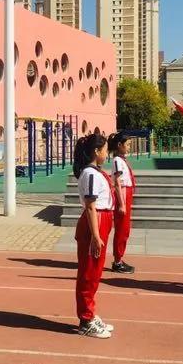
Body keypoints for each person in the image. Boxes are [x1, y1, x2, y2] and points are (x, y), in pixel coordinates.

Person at [73, 133, 115, 338]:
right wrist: (96, 236)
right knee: (89, 272)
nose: (107, 154)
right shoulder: (90, 174)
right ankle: (86, 319)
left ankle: (90, 313)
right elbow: (90, 206)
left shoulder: (95, 172)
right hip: (95, 222)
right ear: (97, 152)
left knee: (95, 271)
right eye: (105, 150)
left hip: (101, 220)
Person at [108, 132, 135, 274]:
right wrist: (122, 203)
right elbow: (117, 183)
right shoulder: (117, 161)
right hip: (122, 195)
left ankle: (119, 258)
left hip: (126, 194)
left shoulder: (122, 160)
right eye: (127, 144)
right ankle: (117, 261)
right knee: (122, 230)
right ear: (119, 145)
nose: (129, 147)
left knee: (125, 230)